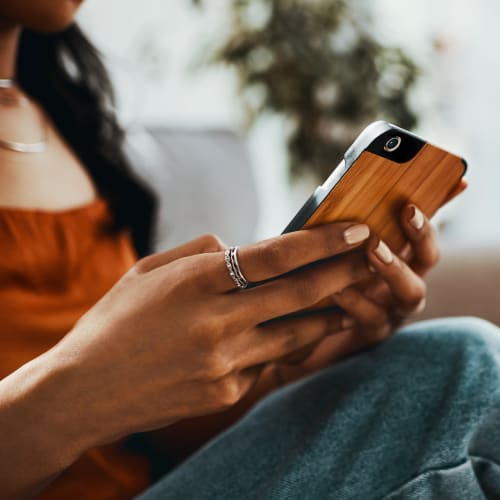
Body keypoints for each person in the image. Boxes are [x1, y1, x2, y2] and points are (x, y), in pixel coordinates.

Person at [0, 2, 499, 499]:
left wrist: (308, 349)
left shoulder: (60, 112)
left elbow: (146, 434)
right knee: (465, 366)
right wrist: (80, 391)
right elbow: (95, 398)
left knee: (432, 373)